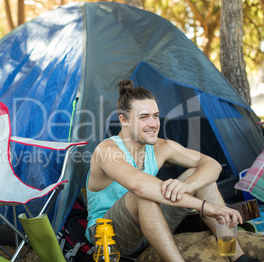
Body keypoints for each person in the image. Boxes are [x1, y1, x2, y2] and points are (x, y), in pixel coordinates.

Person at [85, 79, 257, 262]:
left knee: (197, 175)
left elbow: (211, 164)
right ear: (124, 120)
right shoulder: (106, 151)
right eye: (144, 117)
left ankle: (238, 257)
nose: (153, 123)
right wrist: (204, 206)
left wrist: (189, 186)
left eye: (155, 115)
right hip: (108, 235)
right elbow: (138, 185)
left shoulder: (161, 147)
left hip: (150, 223)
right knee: (143, 195)